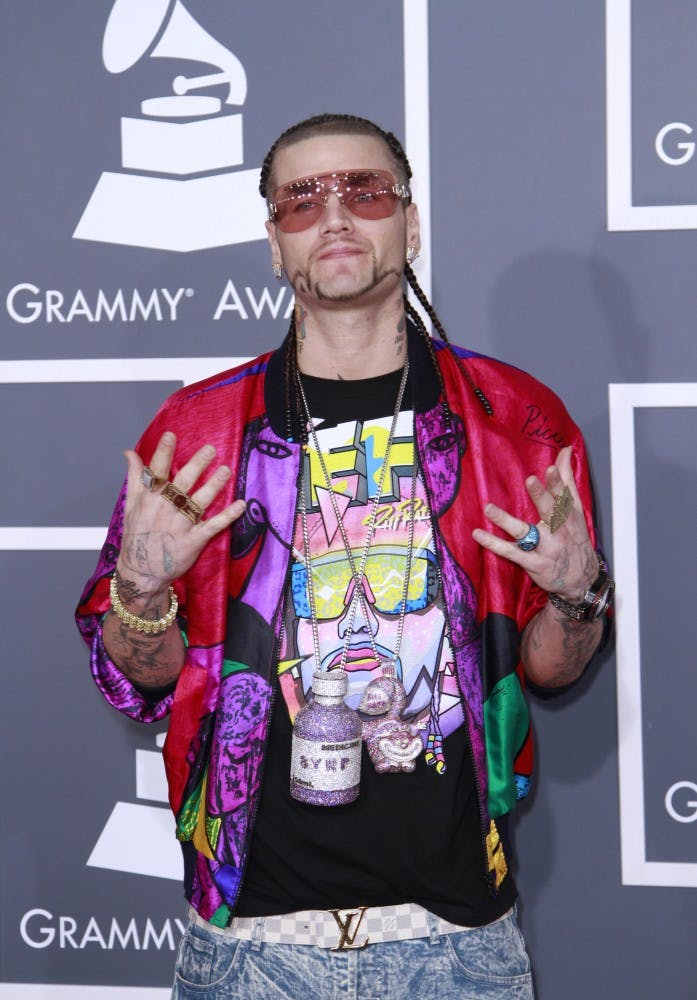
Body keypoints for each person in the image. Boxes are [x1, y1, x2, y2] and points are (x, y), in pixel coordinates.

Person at [76, 113, 613, 999]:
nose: (334, 218)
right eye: (301, 200)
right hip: (247, 947)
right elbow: (149, 679)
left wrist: (575, 594)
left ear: (409, 224)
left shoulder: (513, 422)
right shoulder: (201, 434)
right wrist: (140, 588)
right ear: (273, 245)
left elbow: (549, 673)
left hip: (458, 943)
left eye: (364, 192)